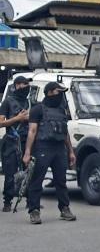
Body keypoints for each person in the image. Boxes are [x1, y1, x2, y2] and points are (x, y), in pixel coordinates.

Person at [22, 82, 76, 224]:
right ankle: (34, 211)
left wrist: (71, 151)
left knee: (61, 181)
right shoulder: (37, 109)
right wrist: (27, 152)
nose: (62, 96)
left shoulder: (61, 110)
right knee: (37, 181)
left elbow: (65, 133)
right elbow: (32, 131)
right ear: (50, 92)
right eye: (59, 92)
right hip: (42, 148)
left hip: (59, 149)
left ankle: (64, 209)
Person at [0, 76, 33, 212]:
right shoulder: (8, 102)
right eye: (23, 84)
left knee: (30, 171)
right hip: (11, 142)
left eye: (27, 84)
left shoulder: (30, 103)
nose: (25, 87)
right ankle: (7, 201)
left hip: (27, 142)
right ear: (17, 86)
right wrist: (18, 118)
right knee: (10, 173)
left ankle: (31, 201)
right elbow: (1, 122)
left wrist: (29, 118)